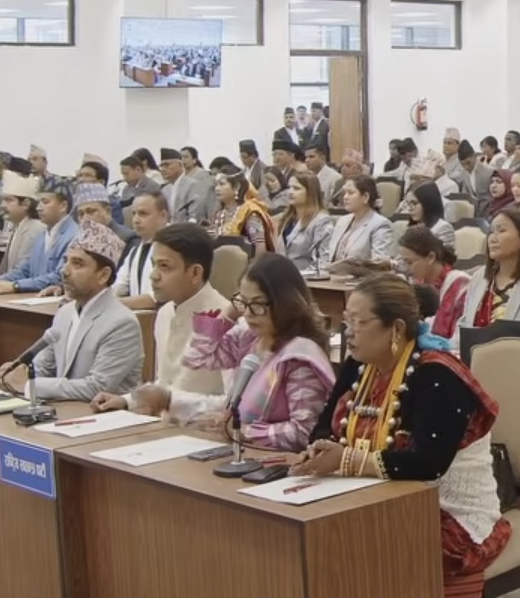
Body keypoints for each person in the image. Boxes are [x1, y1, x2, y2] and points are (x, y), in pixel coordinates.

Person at [290, 274, 510, 598]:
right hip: (373, 495)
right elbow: (323, 427)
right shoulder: (360, 365)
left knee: (370, 551)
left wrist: (346, 459)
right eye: (346, 321)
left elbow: (428, 464)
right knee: (307, 537)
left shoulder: (437, 375)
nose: (349, 332)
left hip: (449, 510)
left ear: (395, 329)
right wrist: (322, 448)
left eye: (359, 322)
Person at [180, 253, 336, 450]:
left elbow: (304, 432)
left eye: (258, 304)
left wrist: (243, 431)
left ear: (285, 302)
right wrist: (227, 314)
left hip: (277, 460)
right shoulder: (249, 338)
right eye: (243, 303)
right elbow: (197, 358)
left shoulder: (298, 359)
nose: (247, 313)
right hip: (242, 450)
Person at [90, 223, 231, 418]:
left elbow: (234, 404)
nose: (153, 275)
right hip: (163, 426)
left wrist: (172, 402)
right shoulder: (165, 313)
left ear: (195, 273)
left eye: (164, 266)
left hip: (203, 430)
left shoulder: (227, 322)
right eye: (154, 264)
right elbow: (165, 384)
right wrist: (128, 400)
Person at [0, 221, 145, 402]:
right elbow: (44, 367)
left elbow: (97, 387)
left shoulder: (121, 322)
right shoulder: (65, 313)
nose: (64, 271)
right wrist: (18, 375)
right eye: (66, 261)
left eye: (77, 264)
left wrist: (29, 385)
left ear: (103, 275)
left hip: (102, 415)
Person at [0, 186, 78, 295]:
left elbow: (60, 276)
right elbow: (25, 269)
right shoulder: (42, 235)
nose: (38, 208)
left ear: (63, 206)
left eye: (45, 202)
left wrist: (16, 285)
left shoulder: (74, 235)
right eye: (38, 202)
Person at [401, 226, 472, 341]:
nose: (407, 269)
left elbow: (460, 336)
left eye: (409, 262)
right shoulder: (418, 285)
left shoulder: (460, 283)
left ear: (431, 257)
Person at [317, 175, 393, 271]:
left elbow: (379, 263)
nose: (345, 197)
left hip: (361, 278)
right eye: (345, 193)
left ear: (365, 197)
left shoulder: (380, 224)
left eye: (351, 193)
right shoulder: (342, 221)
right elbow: (328, 255)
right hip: (333, 276)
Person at [208, 169, 278, 254]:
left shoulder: (250, 212)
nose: (217, 188)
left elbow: (260, 247)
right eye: (216, 185)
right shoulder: (219, 213)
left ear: (236, 187)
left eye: (222, 184)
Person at [406, 182, 459, 252]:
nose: (409, 209)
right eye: (408, 204)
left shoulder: (444, 228)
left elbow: (442, 257)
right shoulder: (410, 228)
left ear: (428, 203)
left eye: (414, 203)